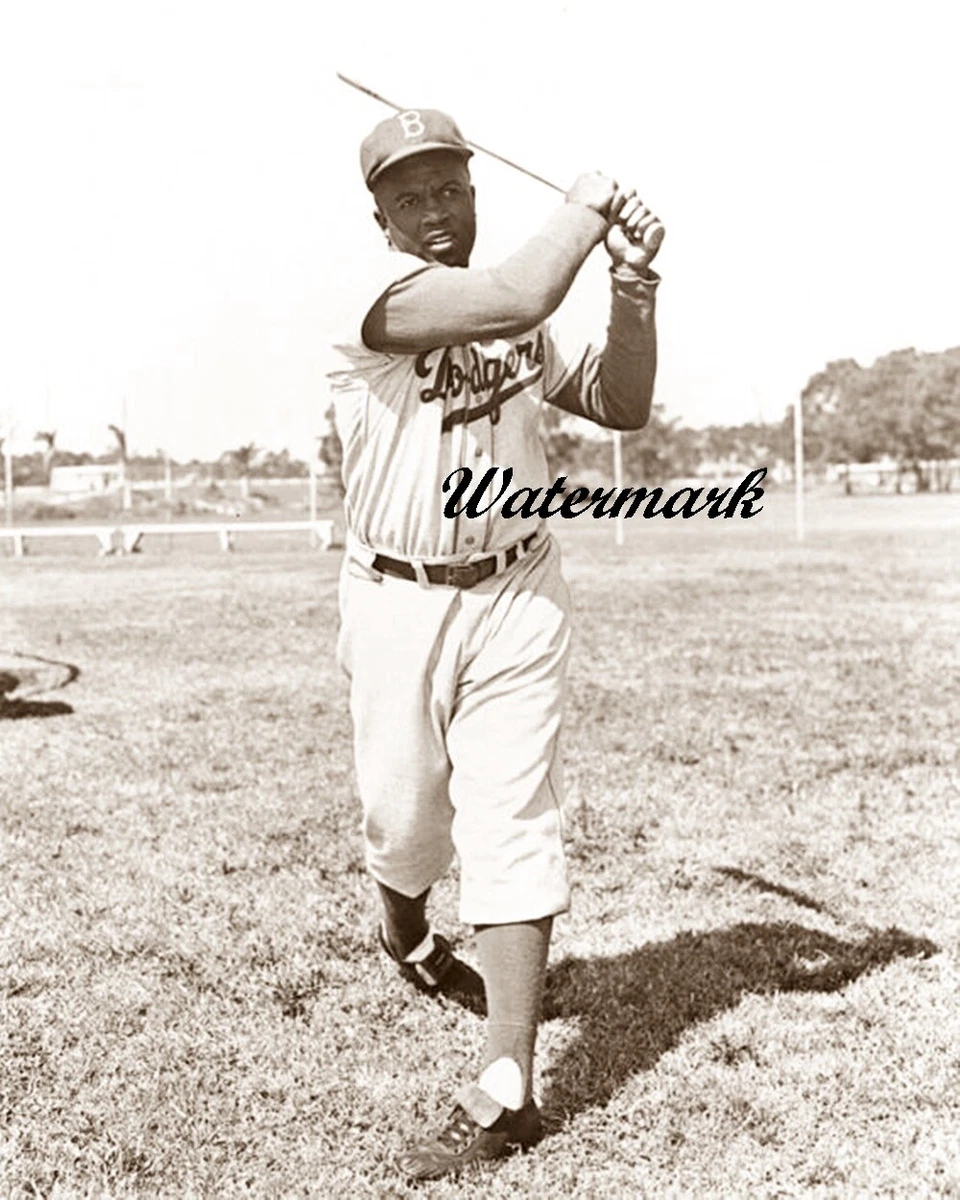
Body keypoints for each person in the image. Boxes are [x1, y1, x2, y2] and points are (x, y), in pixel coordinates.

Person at [327, 107, 663, 1181]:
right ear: (380, 218)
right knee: (404, 822)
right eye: (410, 197)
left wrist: (632, 283)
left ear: (475, 195)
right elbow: (521, 290)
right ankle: (406, 929)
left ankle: (508, 1085)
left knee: (512, 819)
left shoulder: (517, 308)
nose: (434, 210)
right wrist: (588, 205)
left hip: (518, 586)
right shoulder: (372, 294)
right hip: (398, 594)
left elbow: (619, 403)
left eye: (449, 189)